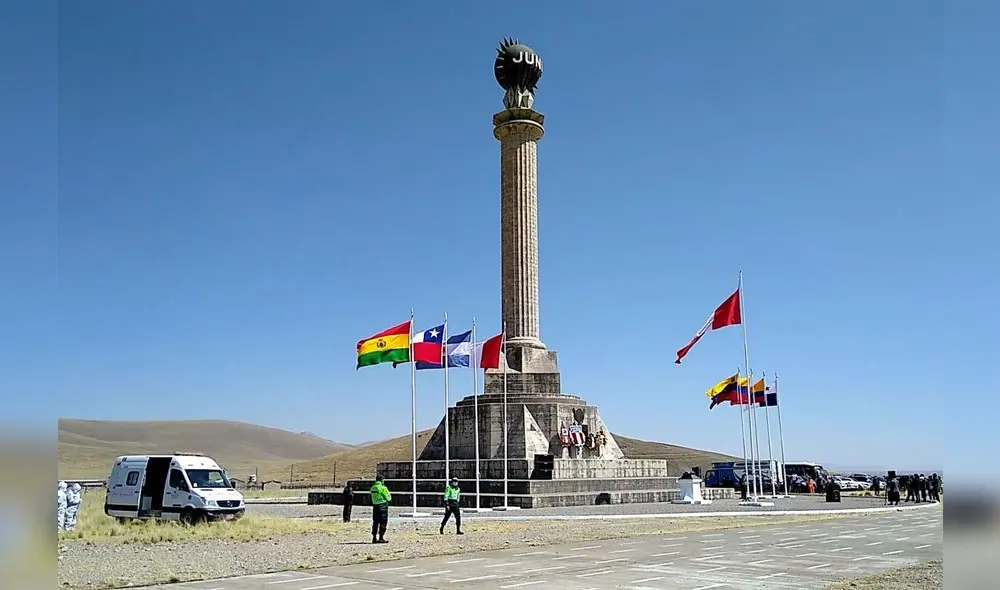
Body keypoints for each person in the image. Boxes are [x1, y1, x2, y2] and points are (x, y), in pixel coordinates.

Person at [369, 476, 391, 544]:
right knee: (383, 521)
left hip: (375, 506)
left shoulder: (372, 488)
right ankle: (381, 537)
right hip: (383, 506)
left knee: (375, 522)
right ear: (382, 480)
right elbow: (389, 497)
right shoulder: (383, 488)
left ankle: (374, 537)